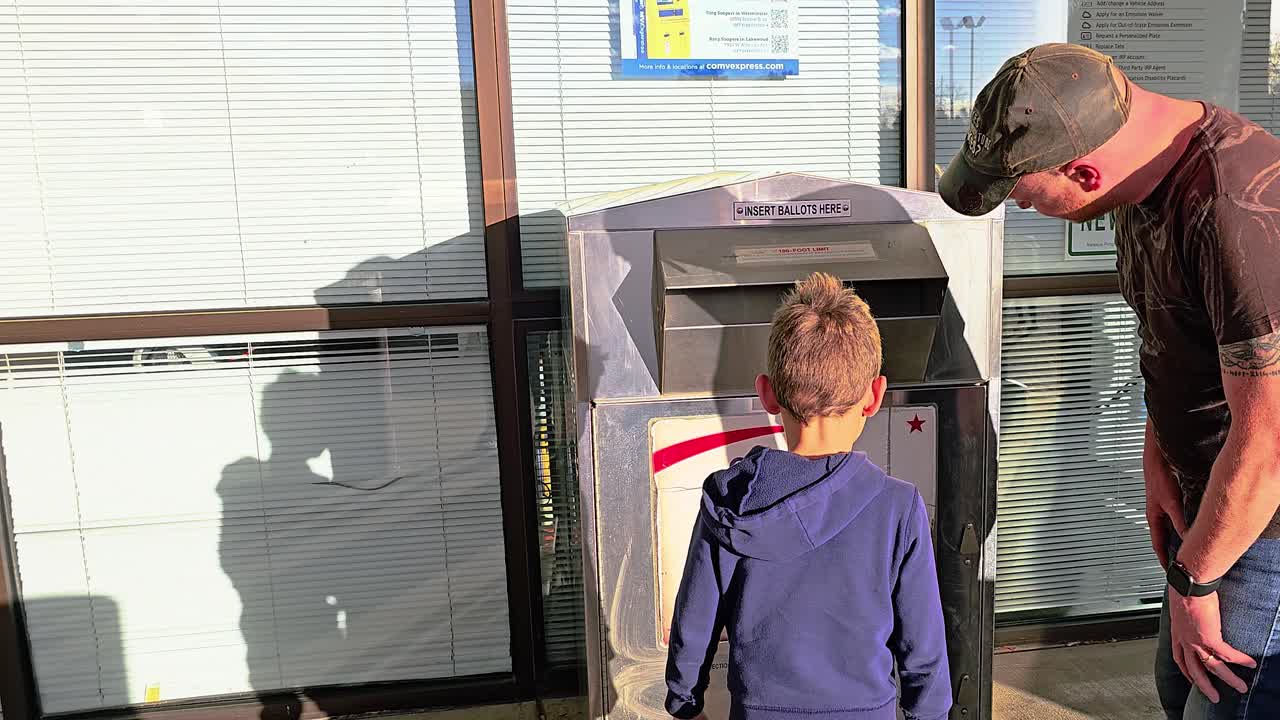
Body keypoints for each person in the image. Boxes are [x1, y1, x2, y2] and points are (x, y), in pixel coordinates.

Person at [939, 42, 1280, 719]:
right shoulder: (1138, 175)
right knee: (1176, 688)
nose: (1023, 211)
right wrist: (1159, 464)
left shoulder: (1235, 212)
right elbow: (1177, 343)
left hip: (1261, 529)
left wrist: (1194, 581)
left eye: (1025, 196)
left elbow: (1269, 441)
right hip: (1208, 503)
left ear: (1084, 172)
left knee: (1223, 705)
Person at [663, 272, 951, 720]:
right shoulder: (897, 508)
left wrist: (685, 704)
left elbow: (694, 619)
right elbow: (924, 647)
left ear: (767, 393)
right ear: (875, 396)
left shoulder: (729, 501)